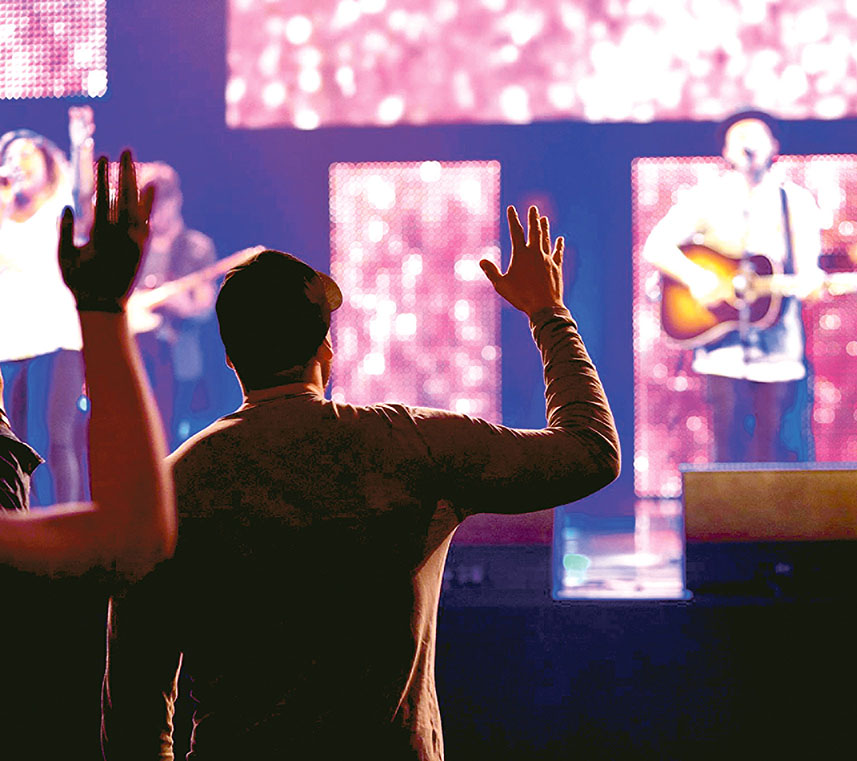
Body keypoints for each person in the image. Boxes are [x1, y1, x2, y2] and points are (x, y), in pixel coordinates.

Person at [101, 205, 620, 759]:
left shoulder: (175, 482)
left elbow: (135, 702)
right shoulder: (413, 442)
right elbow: (590, 453)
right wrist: (548, 312)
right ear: (326, 351)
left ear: (230, 359)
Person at [0, 150, 175, 757]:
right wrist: (103, 306)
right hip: (40, 333)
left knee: (50, 436)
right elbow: (134, 537)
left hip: (50, 336)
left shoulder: (48, 210)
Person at [642, 112, 824, 463]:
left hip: (779, 345)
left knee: (775, 445)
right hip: (720, 346)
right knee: (727, 447)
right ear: (725, 151)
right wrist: (699, 278)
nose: (748, 143)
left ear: (774, 147)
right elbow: (657, 246)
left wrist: (811, 282)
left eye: (757, 135)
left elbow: (807, 270)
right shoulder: (707, 197)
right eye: (739, 137)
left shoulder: (795, 201)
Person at [0, 107, 96, 503]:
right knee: (15, 440)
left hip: (55, 341)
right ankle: (24, 519)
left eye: (27, 156)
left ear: (47, 164)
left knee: (50, 437)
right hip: (9, 343)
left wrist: (81, 142)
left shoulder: (60, 208)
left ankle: (65, 520)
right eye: (10, 156)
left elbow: (85, 197)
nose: (17, 163)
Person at [130, 162, 219, 447]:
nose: (154, 213)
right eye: (148, 205)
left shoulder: (197, 247)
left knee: (174, 443)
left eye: (159, 204)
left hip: (179, 362)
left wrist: (184, 305)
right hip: (136, 360)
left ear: (176, 200)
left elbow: (205, 307)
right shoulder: (134, 246)